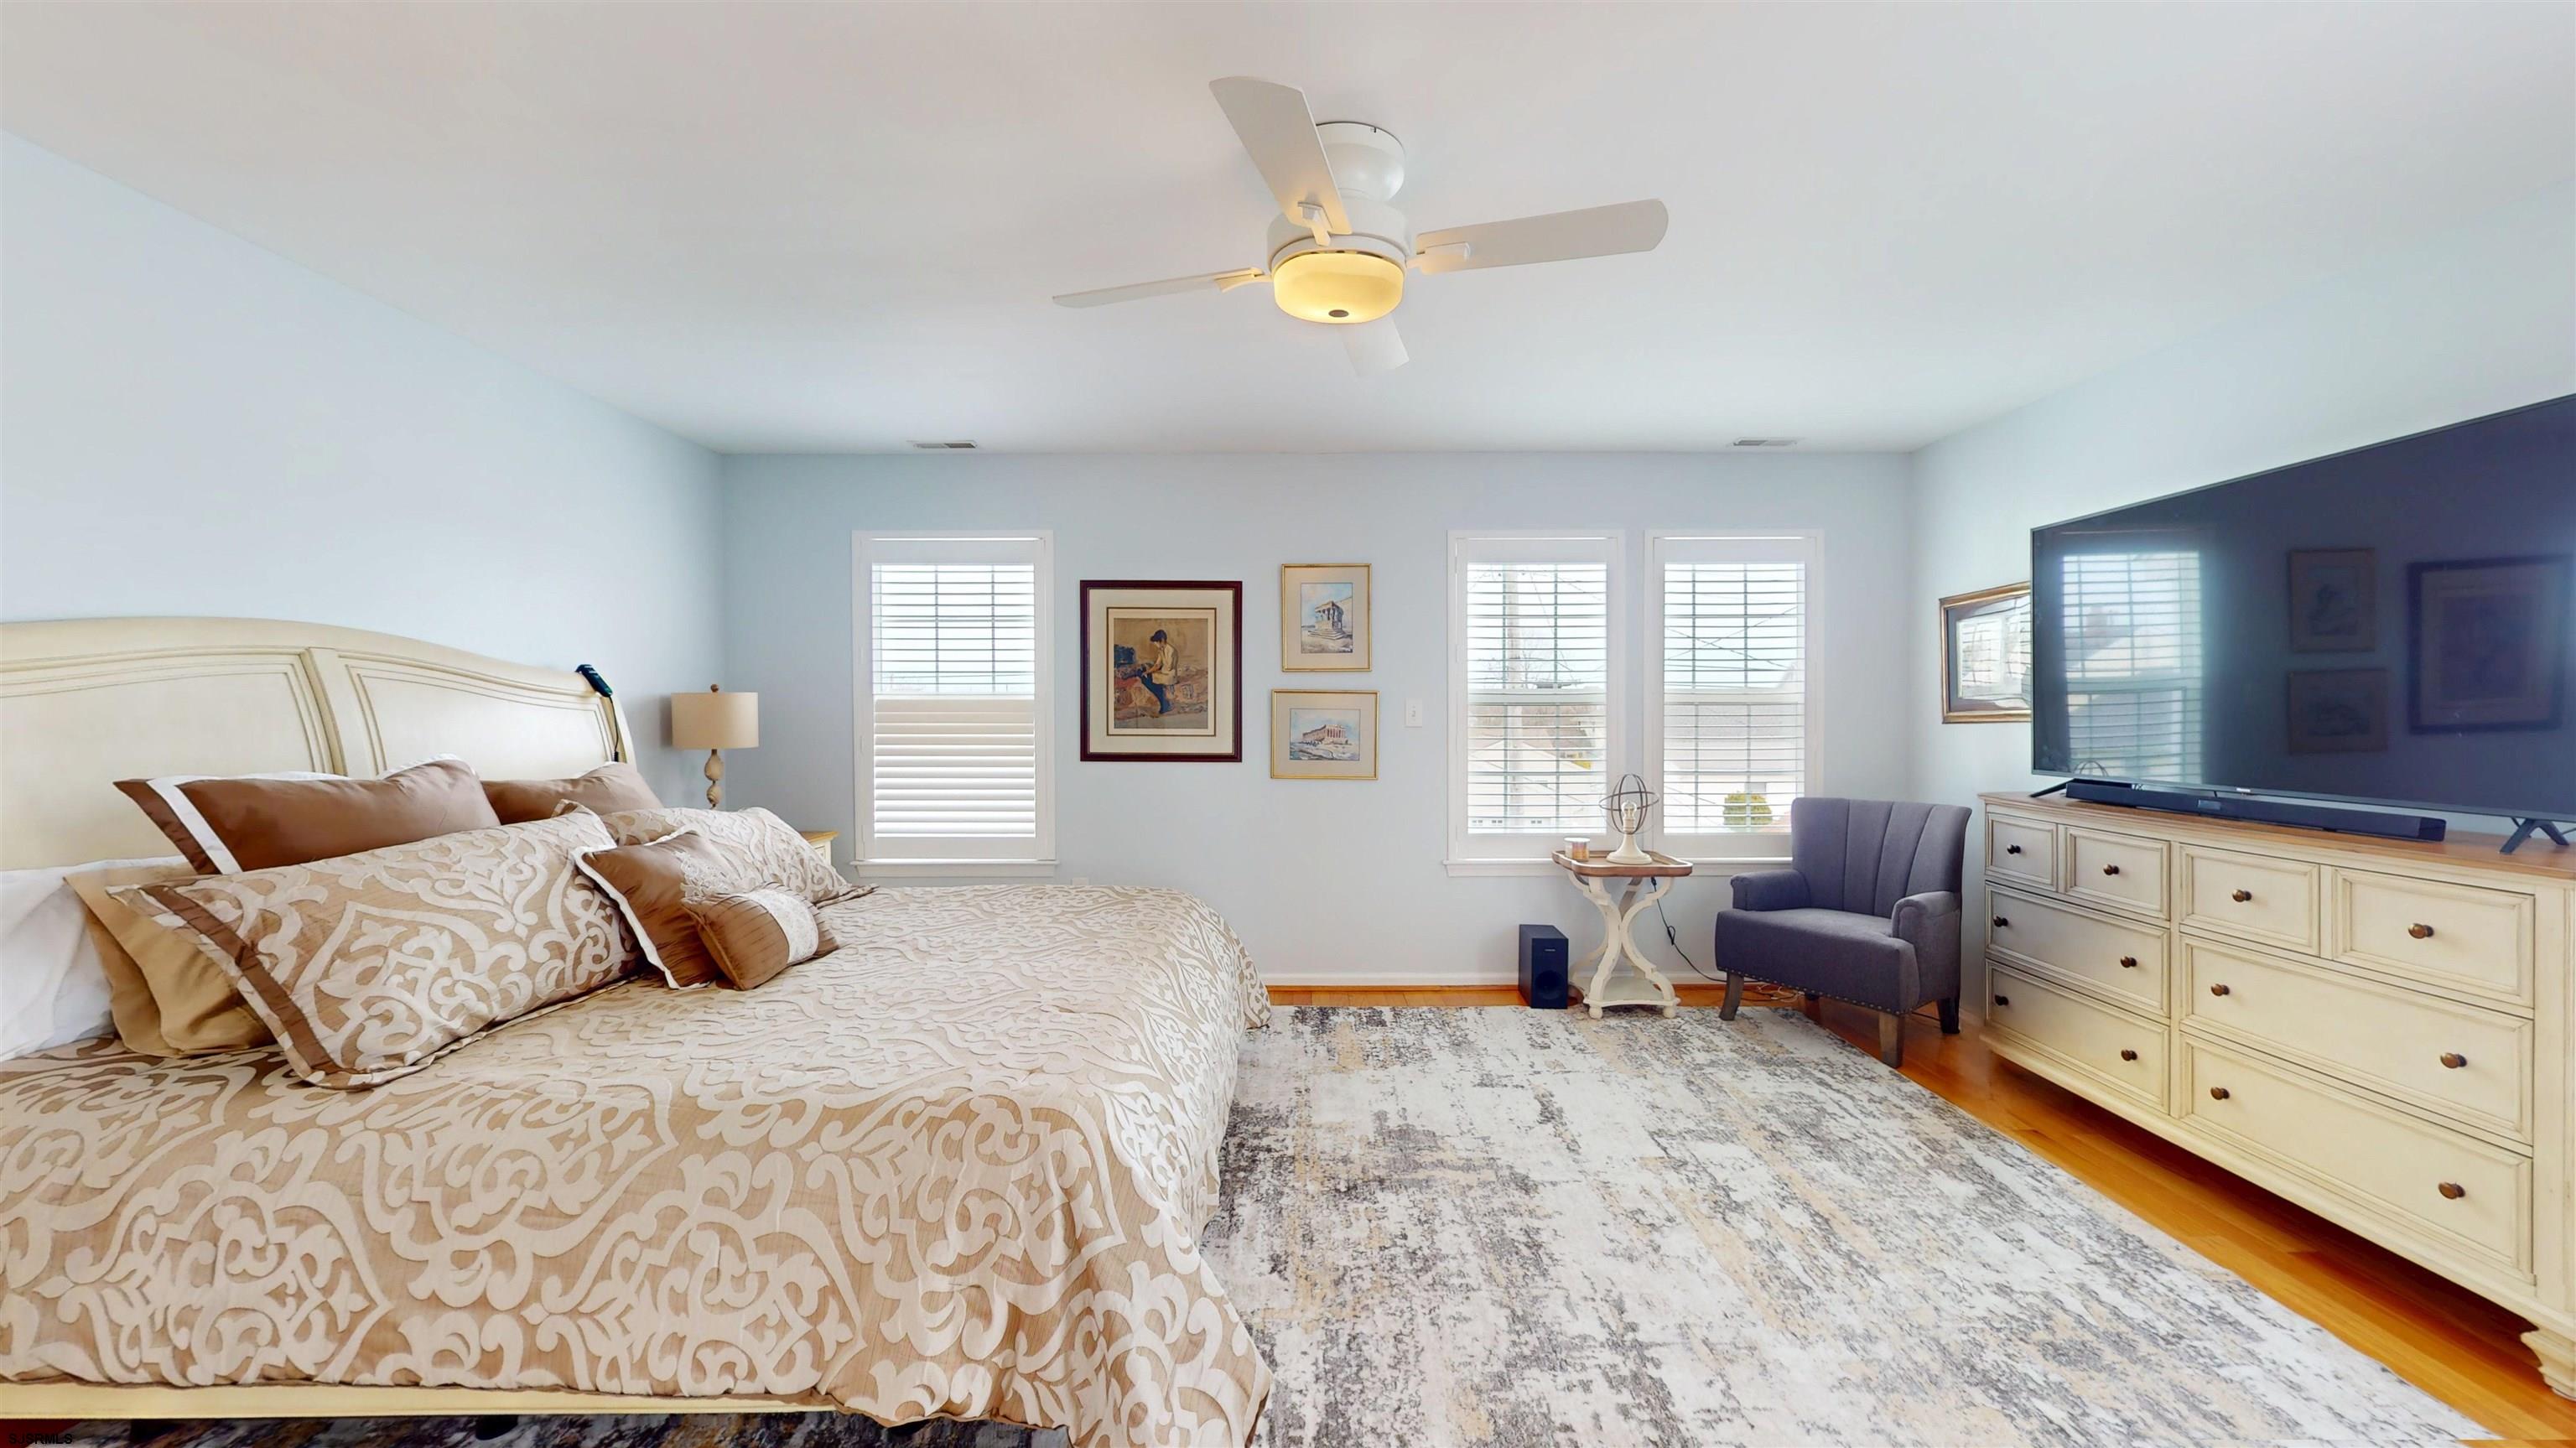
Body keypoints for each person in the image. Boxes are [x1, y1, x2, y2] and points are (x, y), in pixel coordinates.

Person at [1138, 628, 1178, 714]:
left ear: (1162, 640)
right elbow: (1157, 664)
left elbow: (1169, 667)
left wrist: (1155, 671)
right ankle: (1164, 702)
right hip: (1164, 674)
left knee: (1149, 680)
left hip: (1170, 675)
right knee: (1144, 677)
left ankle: (1165, 704)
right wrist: (1148, 672)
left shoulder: (1171, 650)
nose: (1156, 645)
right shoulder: (1161, 650)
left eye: (1156, 643)